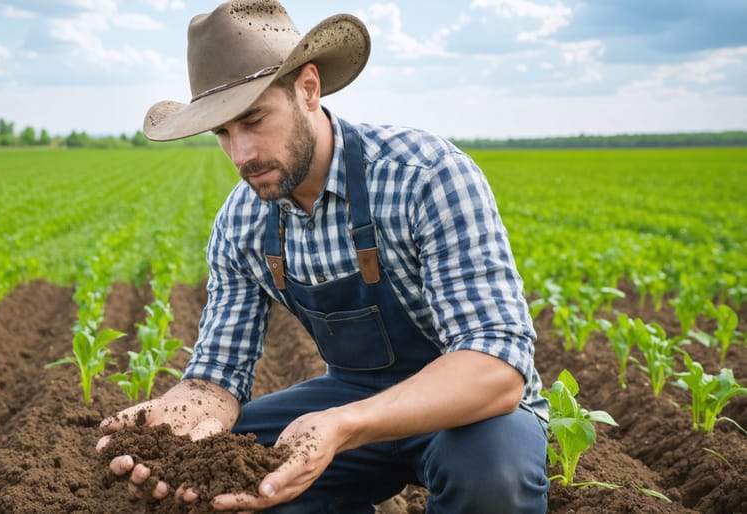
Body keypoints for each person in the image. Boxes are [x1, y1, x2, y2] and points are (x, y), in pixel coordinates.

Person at [97, 1, 550, 512]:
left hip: (469, 408)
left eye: (254, 119)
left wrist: (344, 423)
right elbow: (218, 373)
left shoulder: (424, 175)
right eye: (222, 133)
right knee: (226, 478)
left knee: (493, 481)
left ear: (308, 88)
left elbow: (496, 365)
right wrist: (180, 417)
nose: (241, 155)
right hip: (351, 395)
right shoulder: (242, 222)